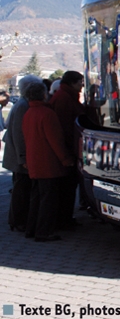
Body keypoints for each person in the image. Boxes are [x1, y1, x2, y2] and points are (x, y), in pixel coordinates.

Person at [23, 81, 75, 242]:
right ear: (44, 94)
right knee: (48, 199)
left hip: (34, 161)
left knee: (36, 197)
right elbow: (55, 140)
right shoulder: (47, 114)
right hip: (47, 163)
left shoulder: (28, 113)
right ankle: (44, 231)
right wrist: (65, 159)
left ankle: (31, 228)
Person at [2, 75, 42, 231]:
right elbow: (18, 134)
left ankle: (18, 220)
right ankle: (18, 221)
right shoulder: (23, 105)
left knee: (21, 188)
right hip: (19, 157)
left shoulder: (22, 103)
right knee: (21, 190)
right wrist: (23, 158)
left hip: (19, 155)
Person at [49, 71, 86, 227]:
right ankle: (63, 219)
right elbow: (64, 128)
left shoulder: (66, 96)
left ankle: (65, 217)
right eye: (79, 83)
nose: (82, 86)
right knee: (67, 186)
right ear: (72, 83)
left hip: (71, 147)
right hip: (68, 149)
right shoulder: (64, 98)